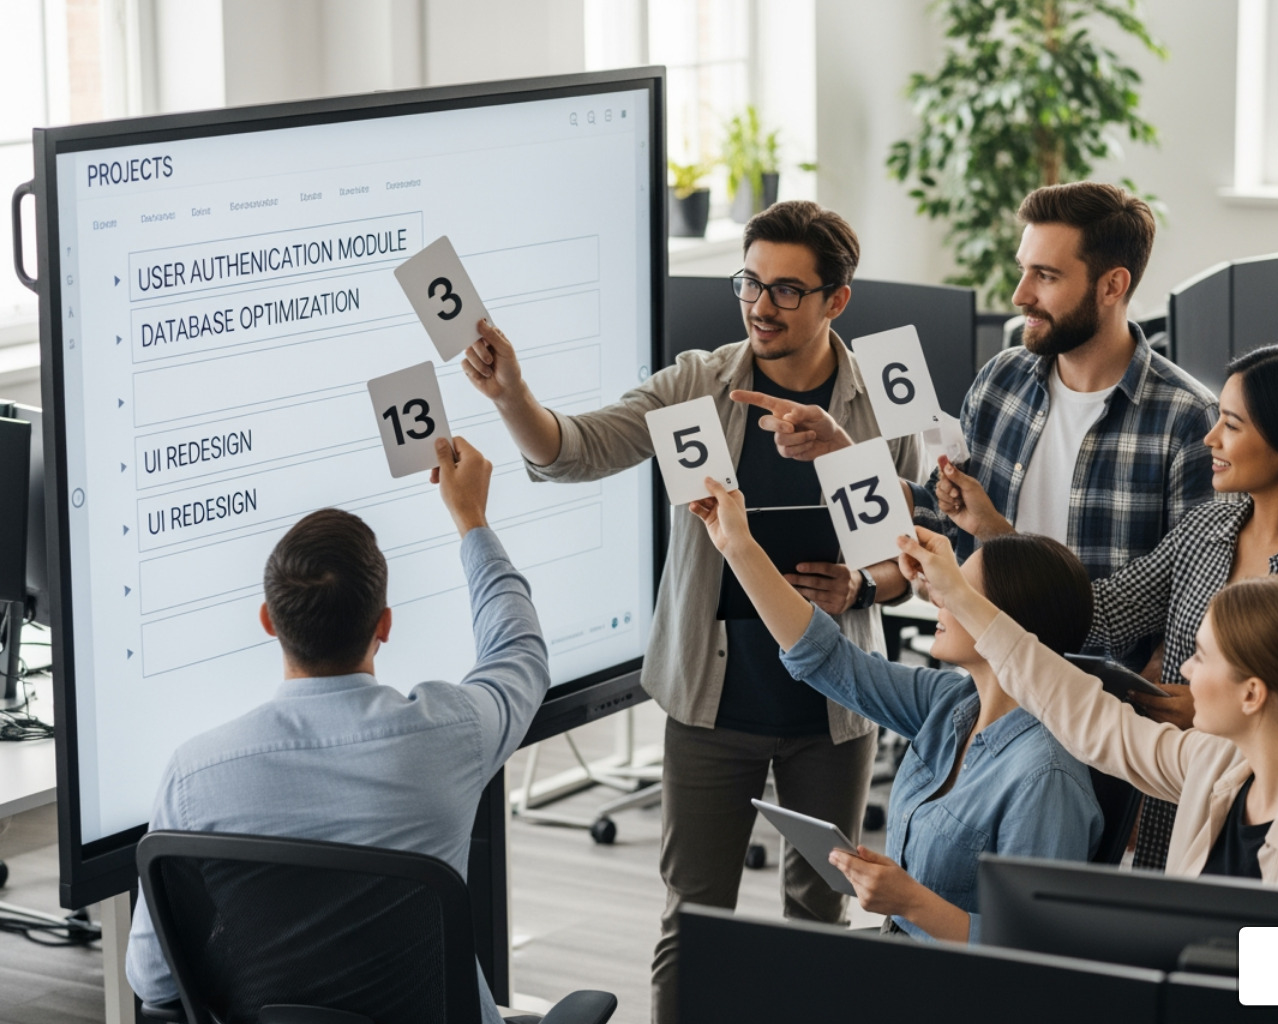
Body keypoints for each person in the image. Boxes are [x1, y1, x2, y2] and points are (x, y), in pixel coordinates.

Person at [459, 201, 920, 1023]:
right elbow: (577, 449)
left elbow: (913, 553)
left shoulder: (879, 402)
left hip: (832, 709)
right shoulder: (699, 385)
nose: (759, 305)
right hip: (712, 704)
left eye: (785, 289)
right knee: (693, 919)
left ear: (835, 301)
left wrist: (863, 588)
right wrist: (512, 395)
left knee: (817, 919)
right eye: (749, 282)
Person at [126, 437, 548, 1024]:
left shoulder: (195, 775)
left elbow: (151, 978)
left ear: (269, 621)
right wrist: (471, 519)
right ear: (385, 625)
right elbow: (520, 653)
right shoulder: (451, 732)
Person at [689, 476, 1103, 943]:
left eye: (960, 590)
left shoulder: (1046, 777)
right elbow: (827, 658)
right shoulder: (951, 703)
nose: (938, 600)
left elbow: (1035, 951)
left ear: (1004, 622)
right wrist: (738, 547)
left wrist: (909, 901)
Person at [899, 527, 1278, 893]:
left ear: (1252, 694)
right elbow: (1083, 712)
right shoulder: (1218, 766)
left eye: (1200, 656)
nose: (1186, 672)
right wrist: (958, 594)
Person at [1085, 343, 1278, 870]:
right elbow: (1111, 609)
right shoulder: (1210, 526)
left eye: (1231, 425)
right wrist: (988, 565)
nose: (1211, 439)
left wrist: (1227, 718)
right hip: (1179, 810)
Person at [912, 181, 1217, 580]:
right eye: (1023, 270)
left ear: (1112, 286)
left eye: (1046, 276)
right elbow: (945, 519)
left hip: (1089, 646)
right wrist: (843, 453)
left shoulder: (1188, 419)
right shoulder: (998, 382)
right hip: (980, 641)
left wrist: (996, 533)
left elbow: (1186, 592)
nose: (1019, 296)